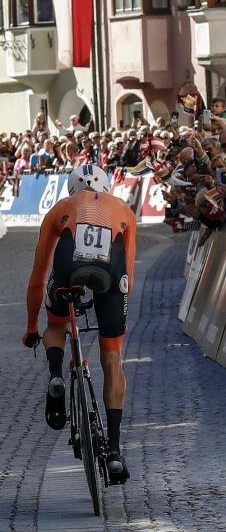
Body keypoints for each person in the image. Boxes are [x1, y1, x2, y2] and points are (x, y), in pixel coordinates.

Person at [22, 165, 137, 483]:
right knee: (112, 357)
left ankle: (56, 376)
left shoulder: (61, 207)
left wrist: (32, 328)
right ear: (107, 187)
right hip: (112, 274)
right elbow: (128, 276)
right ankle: (114, 451)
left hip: (68, 266)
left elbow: (37, 277)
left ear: (72, 188)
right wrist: (117, 319)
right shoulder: (124, 209)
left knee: (57, 324)